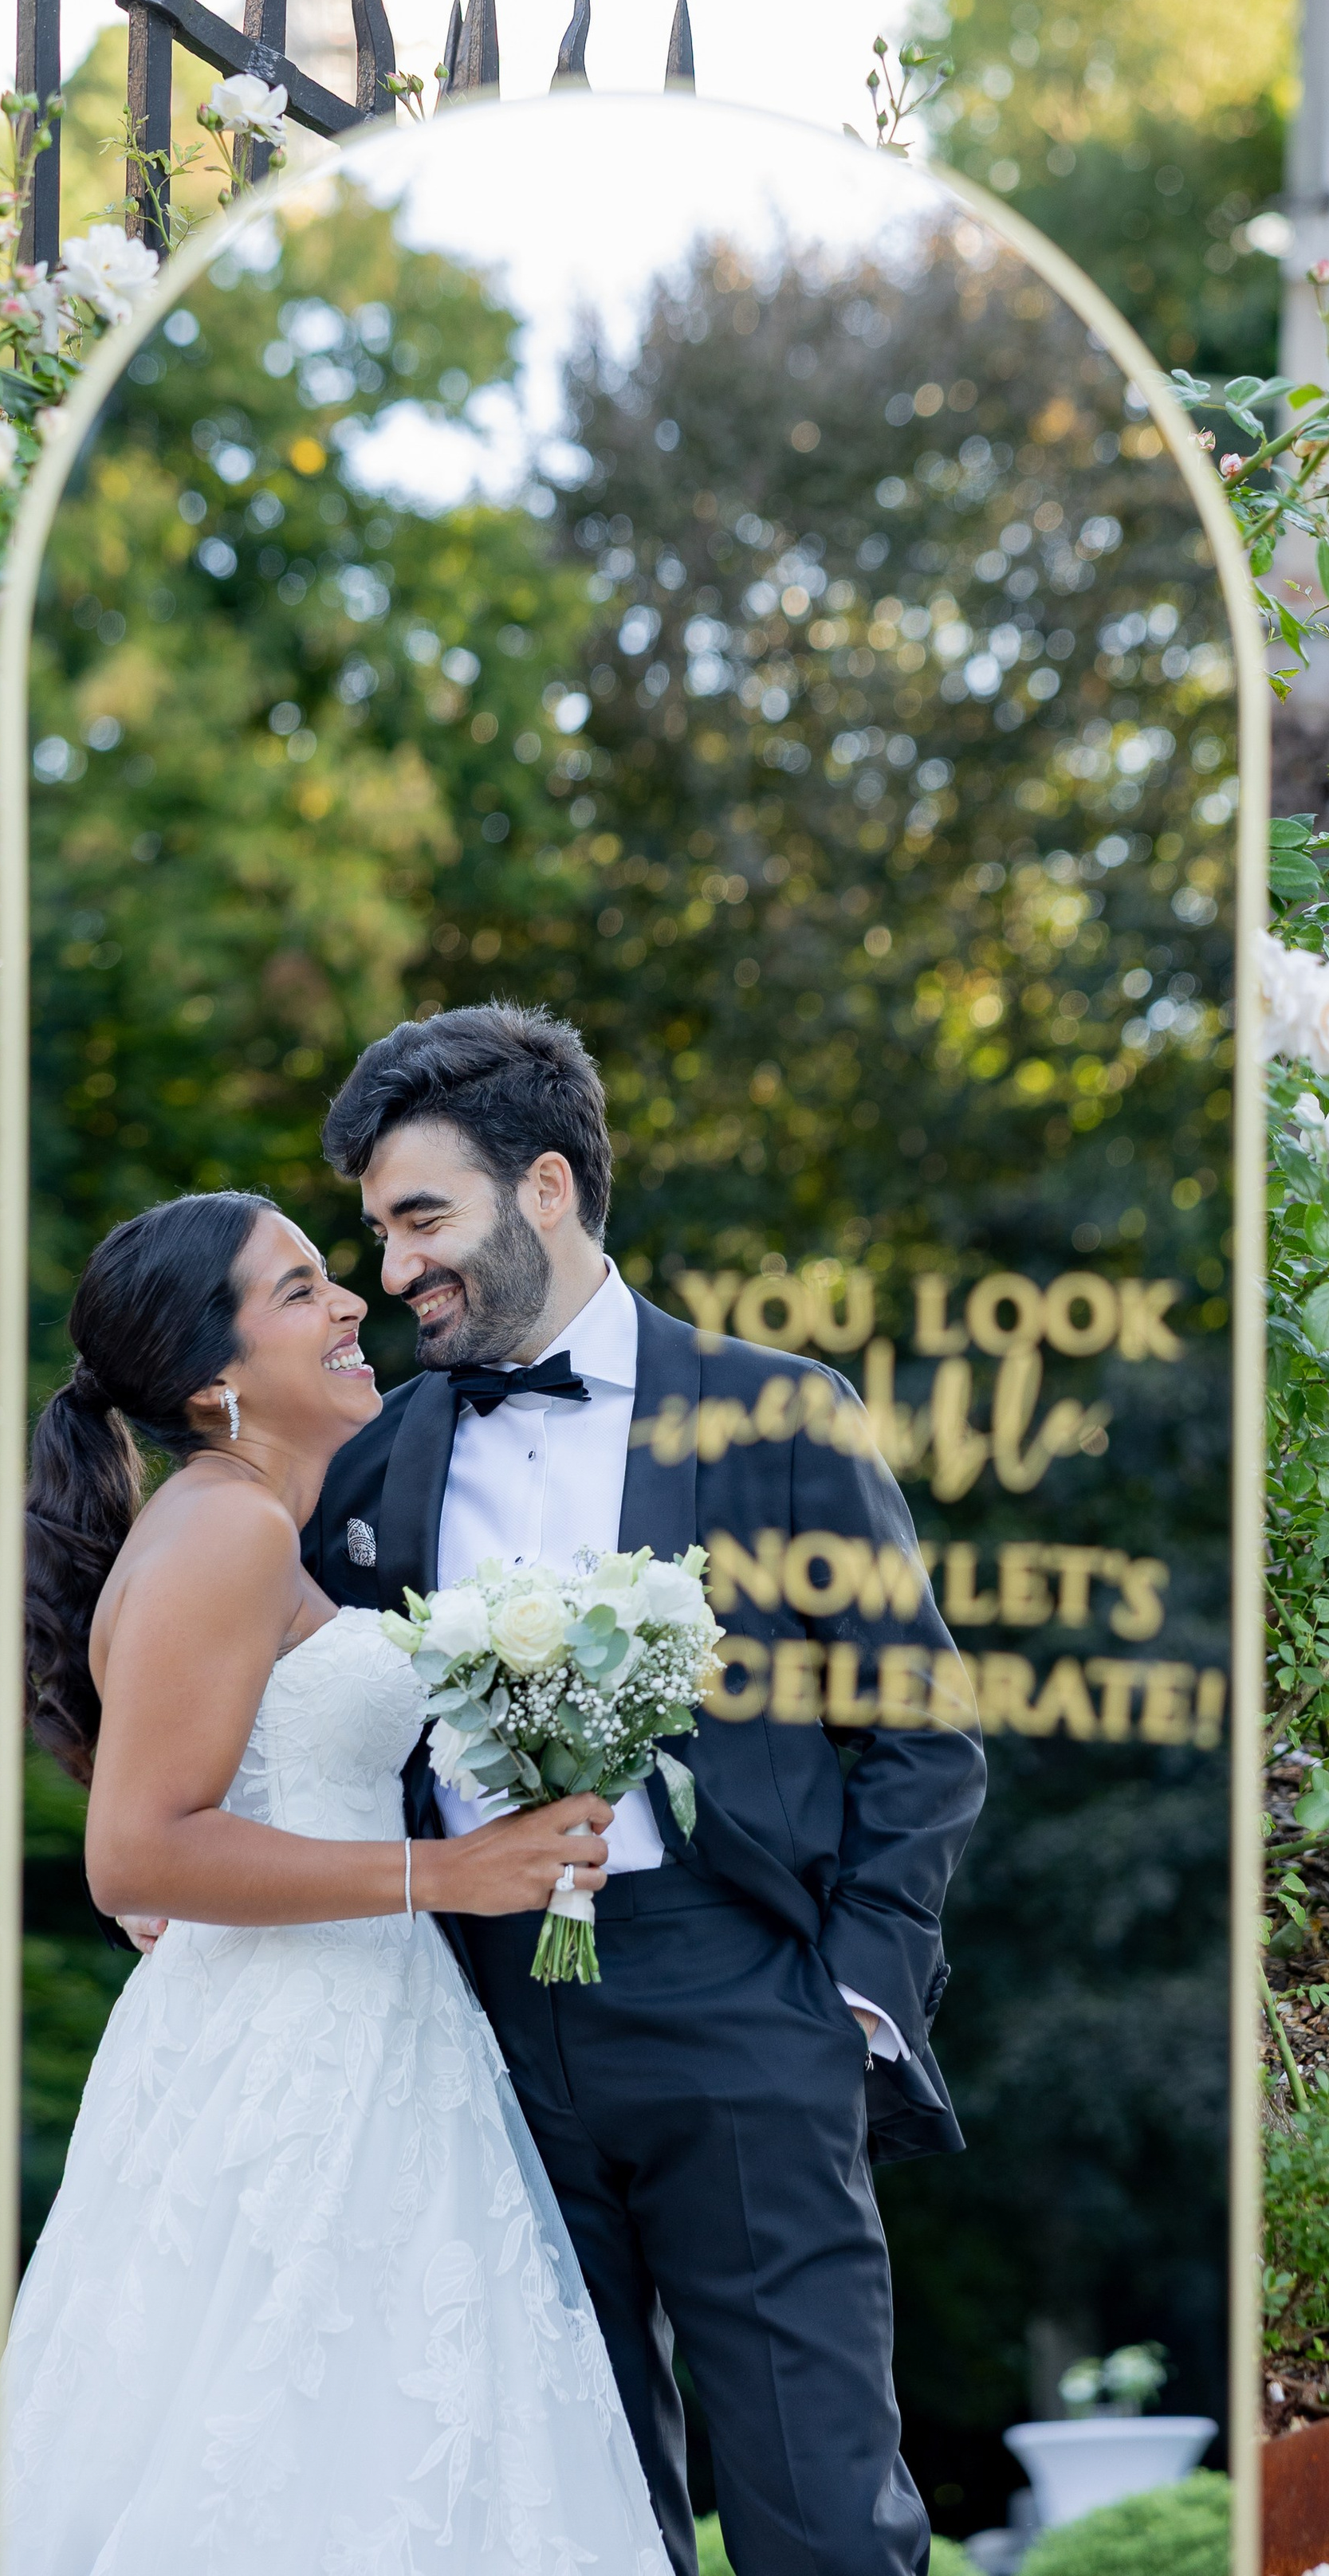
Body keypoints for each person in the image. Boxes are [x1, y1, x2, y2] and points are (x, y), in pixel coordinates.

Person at [304, 1004, 988, 2576]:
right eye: (379, 1231)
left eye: (421, 1219)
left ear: (544, 1187)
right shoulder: (378, 1453)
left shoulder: (779, 1413)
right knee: (566, 2520)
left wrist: (851, 2003)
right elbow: (282, 1689)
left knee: (820, 2517)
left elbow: (918, 1731)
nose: (394, 1269)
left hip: (741, 1994)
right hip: (474, 2028)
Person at [3, 1187, 670, 2576]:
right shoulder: (224, 1528)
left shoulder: (245, 1523)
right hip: (292, 2065)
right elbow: (135, 1850)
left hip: (364, 2031)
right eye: (300, 1290)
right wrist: (459, 1871)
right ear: (212, 1376)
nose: (351, 1301)